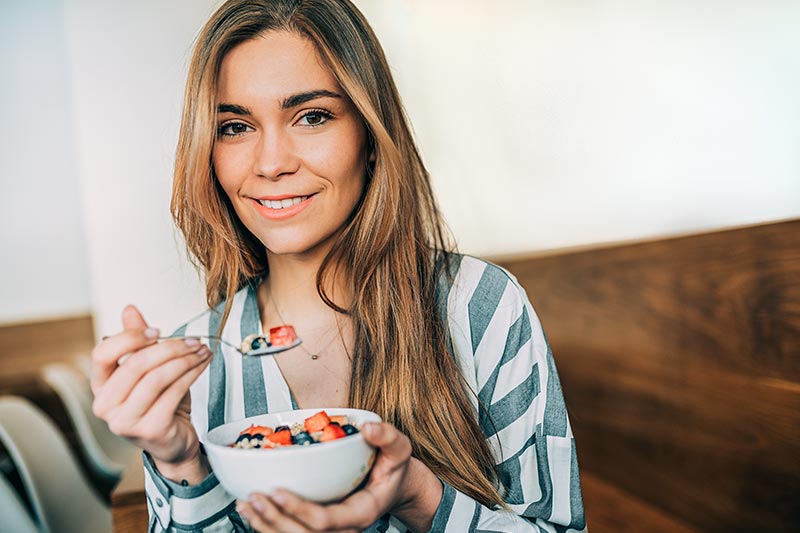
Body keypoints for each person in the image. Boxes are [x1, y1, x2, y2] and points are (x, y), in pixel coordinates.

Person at [90, 1, 586, 531]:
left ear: (370, 136)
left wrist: (416, 494)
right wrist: (180, 463)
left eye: (312, 116)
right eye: (235, 126)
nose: (271, 162)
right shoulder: (194, 374)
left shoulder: (478, 305)